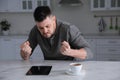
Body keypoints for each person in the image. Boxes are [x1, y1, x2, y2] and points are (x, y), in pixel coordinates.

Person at [20, 6, 93, 60]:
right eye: (41, 28)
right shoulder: (35, 30)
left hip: (69, 68)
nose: (45, 31)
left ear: (53, 19)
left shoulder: (68, 29)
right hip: (48, 68)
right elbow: (25, 57)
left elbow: (89, 53)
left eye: (47, 26)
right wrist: (25, 53)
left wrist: (70, 52)